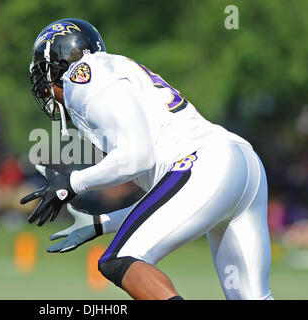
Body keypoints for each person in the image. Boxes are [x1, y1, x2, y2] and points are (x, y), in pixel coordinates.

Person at [20, 18, 273, 300]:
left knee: (119, 259)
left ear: (59, 65)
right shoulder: (115, 75)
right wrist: (101, 223)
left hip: (205, 164)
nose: (45, 89)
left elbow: (137, 157)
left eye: (45, 75)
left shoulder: (81, 76)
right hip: (238, 163)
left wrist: (72, 182)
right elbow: (171, 199)